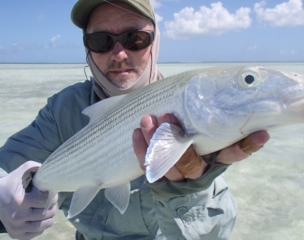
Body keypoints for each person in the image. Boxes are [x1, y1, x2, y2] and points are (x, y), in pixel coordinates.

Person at [0, 0, 270, 239]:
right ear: (87, 48)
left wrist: (190, 191)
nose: (119, 54)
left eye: (136, 39)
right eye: (101, 41)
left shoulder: (194, 107)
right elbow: (7, 166)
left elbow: (216, 235)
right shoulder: (63, 110)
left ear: (155, 40)